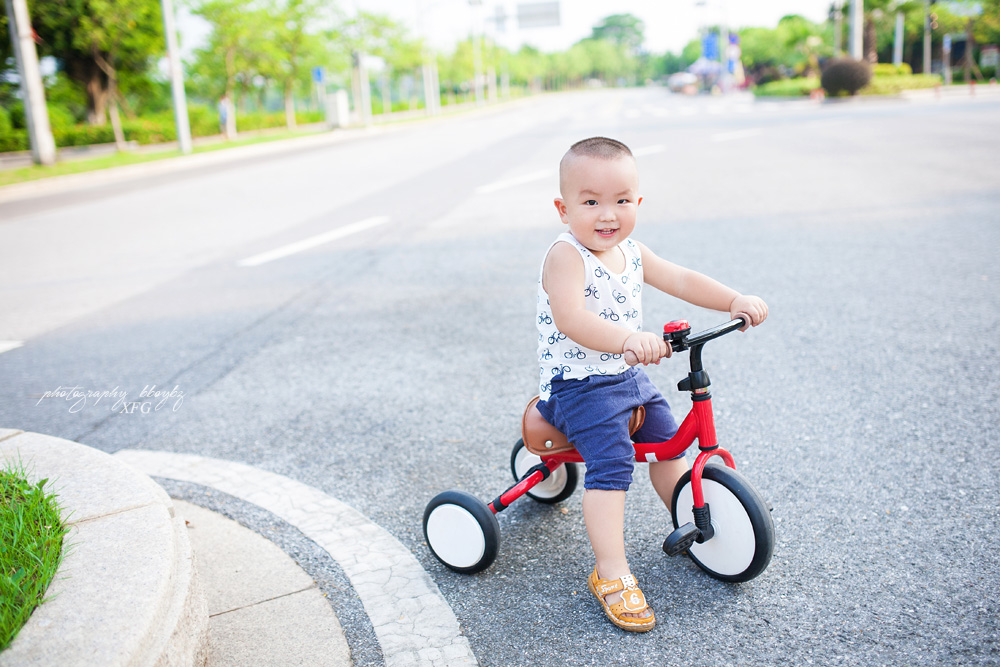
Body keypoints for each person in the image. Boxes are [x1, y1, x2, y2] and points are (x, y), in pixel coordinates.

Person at [535, 137, 768, 632]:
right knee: (613, 462)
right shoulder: (566, 256)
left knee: (669, 446)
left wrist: (733, 300)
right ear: (563, 208)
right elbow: (572, 317)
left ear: (637, 203)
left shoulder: (633, 252)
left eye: (621, 200)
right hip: (577, 386)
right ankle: (611, 571)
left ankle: (691, 518)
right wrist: (628, 339)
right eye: (591, 201)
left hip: (626, 376)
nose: (608, 213)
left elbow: (681, 279)